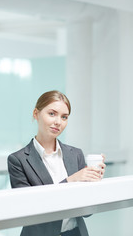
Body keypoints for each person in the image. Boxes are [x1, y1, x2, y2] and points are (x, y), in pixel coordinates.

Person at [8, 90, 106, 236]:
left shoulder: (76, 154)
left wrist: (93, 182)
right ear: (36, 114)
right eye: (52, 114)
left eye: (64, 117)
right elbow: (28, 209)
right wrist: (71, 180)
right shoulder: (18, 160)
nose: (58, 122)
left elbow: (87, 213)